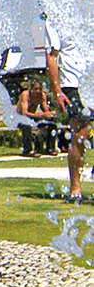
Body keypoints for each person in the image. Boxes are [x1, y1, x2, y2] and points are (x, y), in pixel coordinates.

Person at [45, 18, 90, 200]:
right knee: (81, 133)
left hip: (91, 79)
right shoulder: (56, 17)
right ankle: (75, 189)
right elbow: (52, 56)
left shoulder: (87, 11)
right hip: (73, 83)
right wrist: (57, 90)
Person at [16, 79, 56, 156]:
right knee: (26, 124)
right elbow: (24, 113)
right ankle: (28, 150)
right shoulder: (25, 95)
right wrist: (42, 115)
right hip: (20, 118)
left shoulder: (42, 95)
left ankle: (50, 148)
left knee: (51, 122)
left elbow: (46, 110)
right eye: (36, 89)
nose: (38, 91)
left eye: (40, 89)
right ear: (30, 89)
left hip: (32, 117)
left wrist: (50, 114)